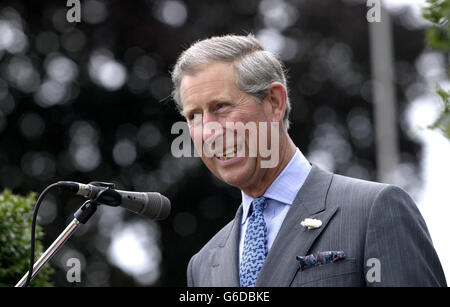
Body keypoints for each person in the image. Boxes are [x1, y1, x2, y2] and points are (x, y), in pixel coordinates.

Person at [170, 34, 447, 287]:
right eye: (194, 116)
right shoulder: (203, 265)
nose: (208, 132)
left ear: (275, 102)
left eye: (221, 107)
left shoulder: (374, 210)